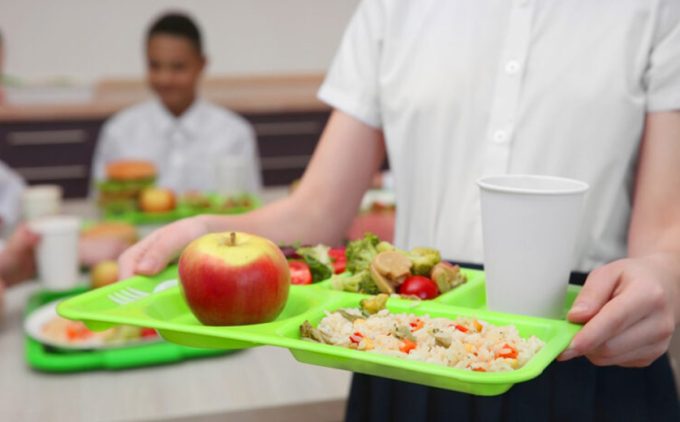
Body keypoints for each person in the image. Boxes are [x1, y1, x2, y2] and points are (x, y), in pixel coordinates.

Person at [119, 1, 680, 420]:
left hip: (587, 349)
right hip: (409, 346)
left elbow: (663, 234)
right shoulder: (393, 7)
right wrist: (210, 231)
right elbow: (318, 210)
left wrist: (667, 274)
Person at [91, 12, 262, 195]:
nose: (165, 79)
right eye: (155, 66)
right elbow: (101, 206)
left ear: (202, 64)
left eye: (178, 67)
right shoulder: (119, 132)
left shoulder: (234, 134)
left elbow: (250, 208)